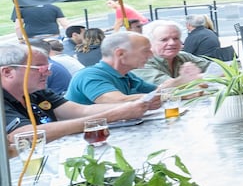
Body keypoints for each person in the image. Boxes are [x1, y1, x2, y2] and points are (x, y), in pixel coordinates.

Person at [1, 43, 148, 144]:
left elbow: (81, 110)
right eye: (40, 68)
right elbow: (23, 135)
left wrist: (133, 106)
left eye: (48, 67)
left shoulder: (37, 93)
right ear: (8, 72)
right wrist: (114, 115)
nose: (49, 72)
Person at [67, 31, 170, 104]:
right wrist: (164, 96)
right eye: (145, 50)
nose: (151, 55)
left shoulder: (127, 75)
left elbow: (159, 91)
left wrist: (181, 81)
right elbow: (117, 101)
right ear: (120, 54)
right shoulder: (89, 76)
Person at [135, 20, 217, 85]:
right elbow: (166, 86)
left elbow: (217, 69)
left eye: (176, 38)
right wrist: (194, 78)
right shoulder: (141, 62)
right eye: (164, 40)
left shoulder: (183, 56)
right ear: (150, 43)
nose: (172, 43)